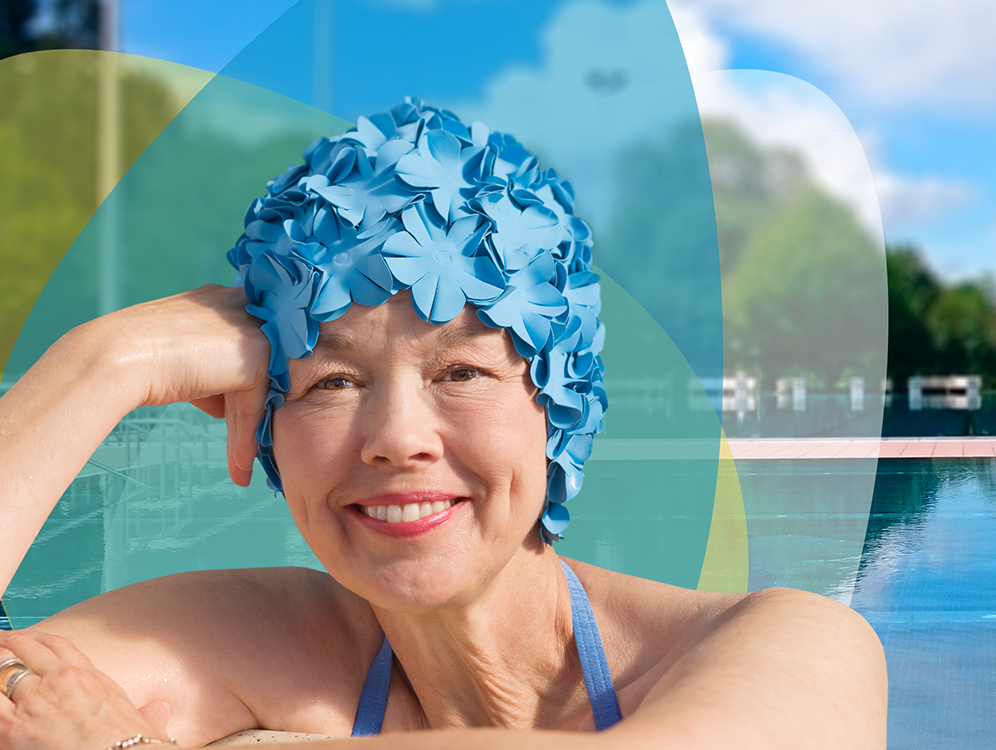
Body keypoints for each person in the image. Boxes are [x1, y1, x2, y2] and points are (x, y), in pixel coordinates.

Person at [0, 99, 886, 749]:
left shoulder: (798, 644)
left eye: (462, 371)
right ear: (272, 429)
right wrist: (103, 365)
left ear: (560, 406)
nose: (396, 437)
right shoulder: (255, 637)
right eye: (333, 380)